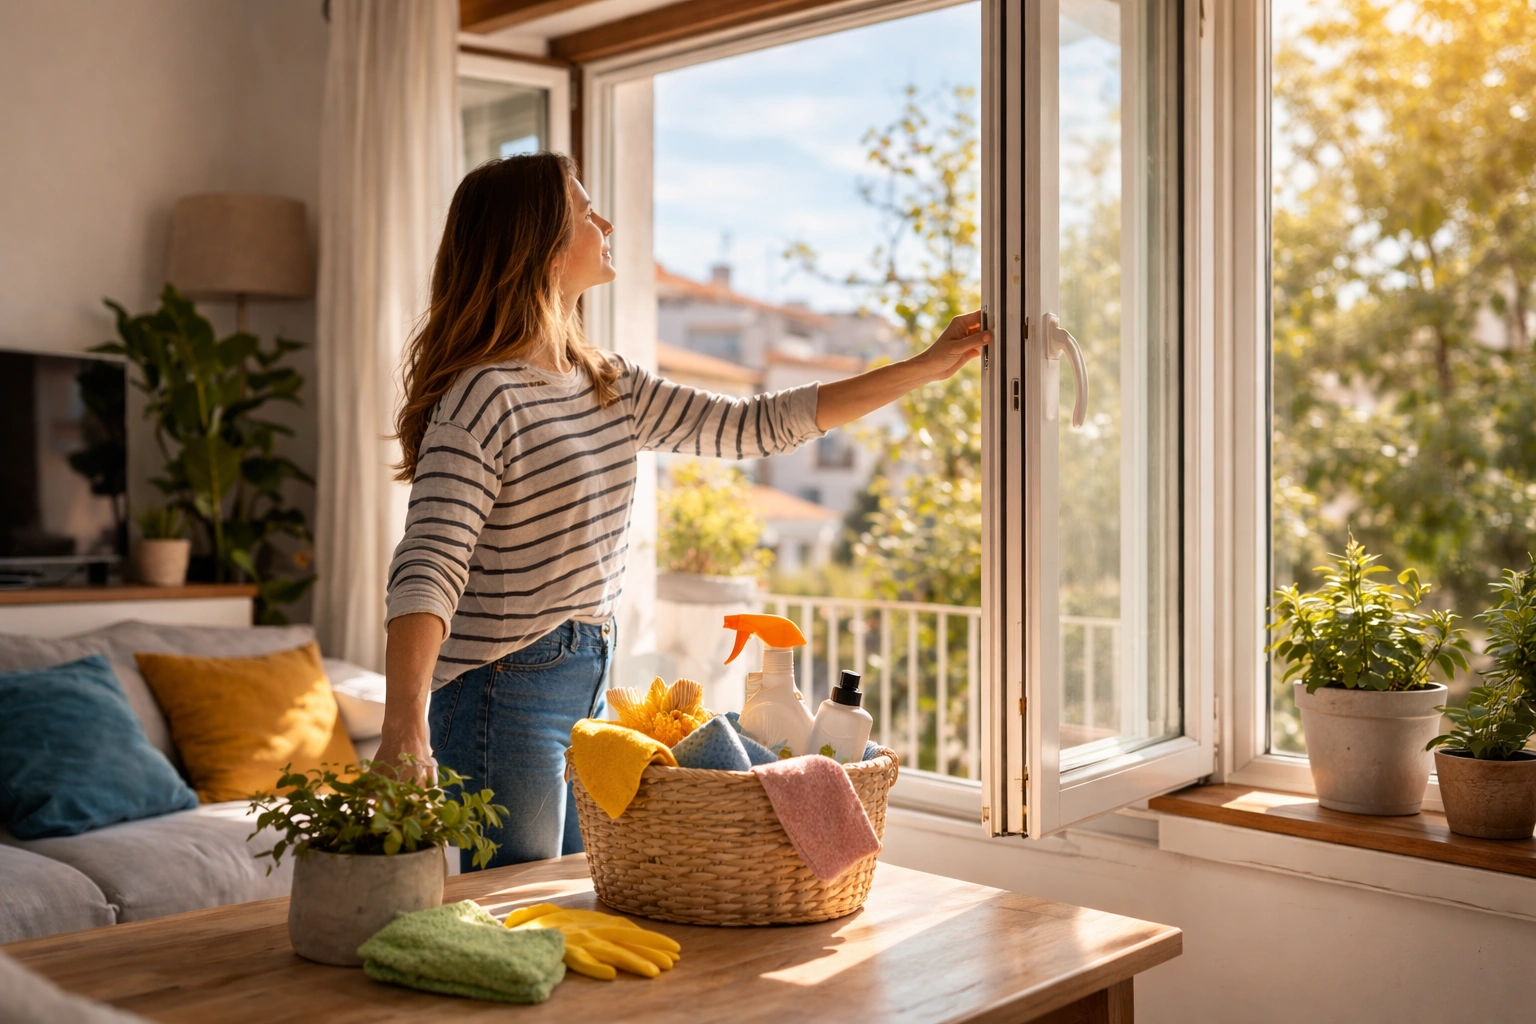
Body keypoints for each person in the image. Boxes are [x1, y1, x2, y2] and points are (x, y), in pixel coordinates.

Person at [377, 151, 987, 870]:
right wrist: (401, 726)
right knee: (524, 909)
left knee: (581, 897)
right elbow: (428, 568)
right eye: (583, 211)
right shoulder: (483, 397)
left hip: (586, 683)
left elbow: (757, 425)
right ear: (536, 244)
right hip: (499, 695)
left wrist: (923, 366)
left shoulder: (606, 382)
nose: (603, 222)